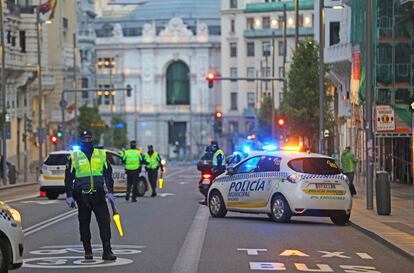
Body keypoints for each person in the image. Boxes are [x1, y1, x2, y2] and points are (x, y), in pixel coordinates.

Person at [64, 130, 117, 261]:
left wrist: (110, 191)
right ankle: (88, 251)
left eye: (89, 138)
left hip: (98, 195)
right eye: (85, 139)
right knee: (84, 224)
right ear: (81, 140)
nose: (87, 141)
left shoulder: (101, 154)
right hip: (82, 197)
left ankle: (107, 251)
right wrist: (69, 195)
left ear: (93, 139)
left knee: (105, 222)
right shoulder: (74, 156)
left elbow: (108, 174)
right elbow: (69, 177)